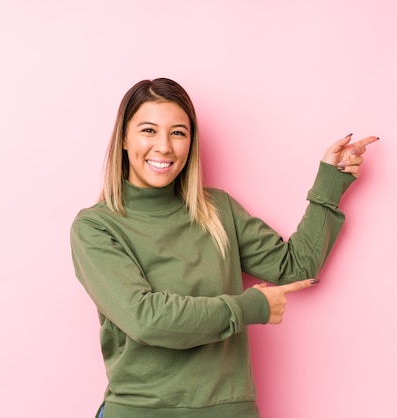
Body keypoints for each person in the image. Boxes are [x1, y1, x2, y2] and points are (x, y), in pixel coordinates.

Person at [70, 78, 378, 418]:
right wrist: (249, 308)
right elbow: (147, 320)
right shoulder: (96, 227)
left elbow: (296, 266)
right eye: (148, 130)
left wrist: (329, 185)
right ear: (124, 139)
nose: (163, 147)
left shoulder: (217, 210)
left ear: (191, 142)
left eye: (178, 133)